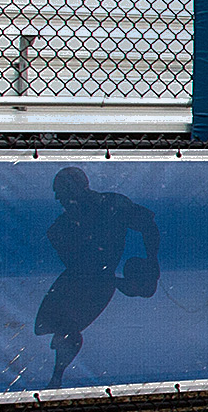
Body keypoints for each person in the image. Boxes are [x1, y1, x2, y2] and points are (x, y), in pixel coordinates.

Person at [35, 165, 159, 389]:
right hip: (77, 282)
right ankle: (55, 379)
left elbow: (148, 225)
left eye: (62, 193)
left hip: (95, 285)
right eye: (58, 195)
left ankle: (56, 379)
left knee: (68, 329)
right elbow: (76, 260)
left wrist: (152, 260)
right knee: (57, 327)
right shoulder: (60, 227)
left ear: (77, 189)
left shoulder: (113, 205)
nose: (58, 199)